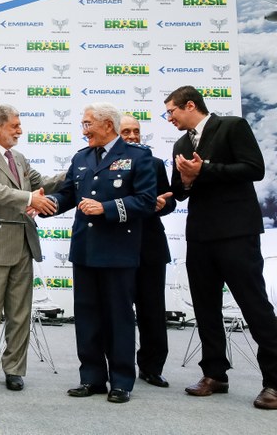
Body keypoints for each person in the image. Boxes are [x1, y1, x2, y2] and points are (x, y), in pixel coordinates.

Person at [164, 85, 277, 410]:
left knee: (254, 306)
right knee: (205, 308)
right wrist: (185, 182)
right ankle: (214, 374)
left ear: (189, 105)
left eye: (171, 111)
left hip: (236, 233)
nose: (169, 118)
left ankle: (274, 380)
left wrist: (205, 169)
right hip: (200, 235)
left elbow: (255, 169)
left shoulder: (231, 126)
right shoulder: (181, 143)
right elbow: (180, 191)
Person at [45, 102, 156, 403]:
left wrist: (105, 209)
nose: (84, 131)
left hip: (119, 250)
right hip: (85, 249)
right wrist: (47, 204)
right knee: (87, 315)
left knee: (118, 316)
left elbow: (146, 201)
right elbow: (68, 193)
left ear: (108, 125)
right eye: (83, 124)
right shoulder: (81, 157)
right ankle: (92, 377)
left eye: (87, 124)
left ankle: (121, 381)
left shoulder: (137, 157)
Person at [0, 104, 62, 392]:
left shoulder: (18, 158)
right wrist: (29, 198)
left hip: (22, 245)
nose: (20, 130)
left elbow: (41, 184)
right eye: (15, 125)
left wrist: (76, 171)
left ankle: (15, 369)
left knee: (20, 314)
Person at [119, 115, 176, 388]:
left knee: (153, 311)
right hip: (117, 248)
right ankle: (119, 366)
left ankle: (152, 367)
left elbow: (168, 201)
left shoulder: (154, 163)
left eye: (136, 131)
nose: (132, 136)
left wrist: (160, 205)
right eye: (126, 131)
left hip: (151, 248)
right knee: (118, 312)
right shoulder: (105, 165)